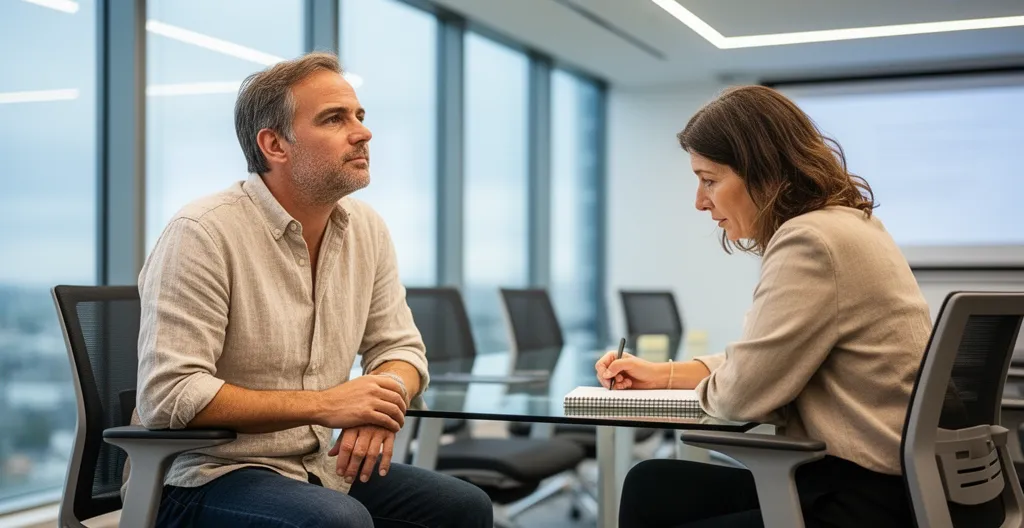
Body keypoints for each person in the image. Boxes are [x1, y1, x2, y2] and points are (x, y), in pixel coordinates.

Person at [132, 52, 492, 527]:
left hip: (321, 465)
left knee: (465, 507)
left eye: (359, 116)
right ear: (275, 145)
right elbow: (170, 395)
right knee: (335, 521)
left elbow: (400, 348)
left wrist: (377, 404)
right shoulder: (202, 232)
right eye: (334, 119)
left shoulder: (367, 228)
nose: (363, 132)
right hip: (205, 476)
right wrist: (329, 405)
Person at [596, 85, 931, 527]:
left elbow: (740, 396)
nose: (700, 201)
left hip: (862, 499)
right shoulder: (849, 226)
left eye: (710, 180)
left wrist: (719, 384)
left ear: (763, 172)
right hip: (900, 482)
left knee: (656, 493)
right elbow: (762, 360)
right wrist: (665, 374)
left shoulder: (810, 241)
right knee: (653, 483)